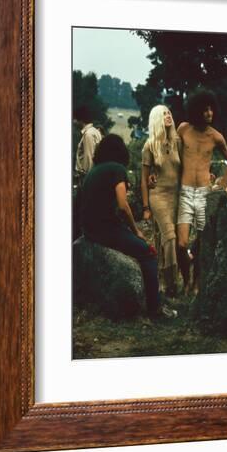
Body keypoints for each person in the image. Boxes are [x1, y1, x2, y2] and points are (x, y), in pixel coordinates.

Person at [81, 134, 176, 319]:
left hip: (90, 230)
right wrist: (136, 231)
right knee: (149, 253)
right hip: (105, 229)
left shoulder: (95, 170)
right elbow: (123, 205)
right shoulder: (117, 169)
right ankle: (155, 308)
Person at [176, 89, 227, 292]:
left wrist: (222, 183)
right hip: (184, 192)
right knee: (182, 244)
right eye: (205, 110)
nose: (209, 113)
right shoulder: (183, 129)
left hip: (204, 193)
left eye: (211, 109)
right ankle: (185, 279)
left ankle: (196, 282)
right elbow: (170, 155)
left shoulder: (216, 137)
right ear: (196, 110)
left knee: (202, 243)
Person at [141, 105, 181, 297]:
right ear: (156, 118)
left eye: (169, 112)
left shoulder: (177, 142)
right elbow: (143, 179)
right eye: (164, 113)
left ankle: (167, 283)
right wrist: (145, 207)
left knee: (168, 240)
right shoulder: (149, 145)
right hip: (158, 196)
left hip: (176, 196)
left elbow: (187, 167)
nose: (168, 115)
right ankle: (170, 285)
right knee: (170, 237)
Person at [73, 105, 102, 177]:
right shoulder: (94, 131)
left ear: (81, 120)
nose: (73, 122)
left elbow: (89, 157)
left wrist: (87, 177)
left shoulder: (88, 134)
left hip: (86, 176)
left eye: (74, 119)